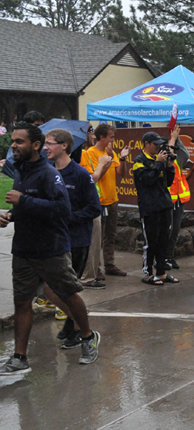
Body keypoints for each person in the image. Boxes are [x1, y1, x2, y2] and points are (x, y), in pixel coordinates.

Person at [0, 123, 100, 375]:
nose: (13, 145)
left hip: (51, 249)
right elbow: (29, 208)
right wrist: (10, 215)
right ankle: (19, 357)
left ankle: (87, 337)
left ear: (35, 145)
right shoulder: (21, 172)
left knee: (68, 295)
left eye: (19, 141)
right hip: (23, 248)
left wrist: (23, 200)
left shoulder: (49, 173)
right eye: (13, 141)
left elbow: (62, 210)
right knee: (22, 303)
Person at [43, 128, 102, 347]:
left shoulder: (80, 174)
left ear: (64, 146)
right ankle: (74, 322)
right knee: (49, 288)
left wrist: (69, 217)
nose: (46, 147)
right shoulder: (47, 172)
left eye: (50, 143)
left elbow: (94, 208)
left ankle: (77, 328)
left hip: (76, 240)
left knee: (63, 287)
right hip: (54, 239)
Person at [80, 123, 130, 277]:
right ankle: (97, 268)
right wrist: (106, 163)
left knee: (111, 235)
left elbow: (122, 173)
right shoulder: (90, 153)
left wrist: (122, 158)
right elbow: (94, 178)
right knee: (97, 238)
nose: (113, 140)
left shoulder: (111, 152)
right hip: (98, 201)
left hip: (112, 199)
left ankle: (110, 264)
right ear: (102, 137)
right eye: (111, 137)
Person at [133, 132, 178, 285]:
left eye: (159, 144)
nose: (158, 147)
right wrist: (159, 163)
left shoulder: (160, 160)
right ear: (146, 144)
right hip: (149, 207)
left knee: (163, 240)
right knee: (150, 242)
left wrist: (169, 166)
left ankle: (161, 272)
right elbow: (147, 180)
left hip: (164, 205)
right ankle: (147, 273)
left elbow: (167, 183)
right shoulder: (140, 161)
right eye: (155, 144)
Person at [165, 125, 191, 270]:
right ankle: (162, 258)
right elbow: (168, 156)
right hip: (167, 201)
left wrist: (176, 138)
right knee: (166, 231)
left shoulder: (177, 160)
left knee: (174, 231)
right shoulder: (162, 159)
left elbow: (185, 154)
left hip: (179, 201)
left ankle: (170, 257)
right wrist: (172, 139)